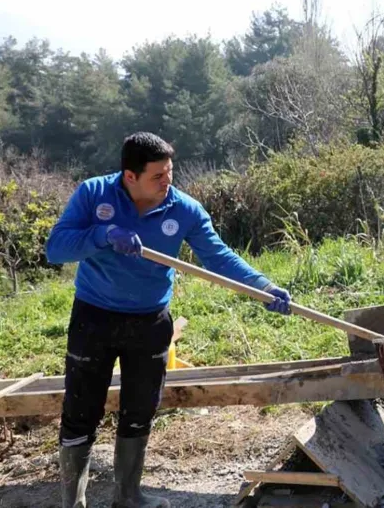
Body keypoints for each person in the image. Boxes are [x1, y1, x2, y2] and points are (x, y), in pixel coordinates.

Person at [45, 132, 292, 508]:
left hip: (150, 322)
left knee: (140, 410)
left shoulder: (184, 210)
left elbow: (219, 257)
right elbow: (56, 249)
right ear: (130, 176)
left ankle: (127, 496)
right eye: (157, 176)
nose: (167, 182)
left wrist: (263, 286)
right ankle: (72, 503)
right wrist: (104, 234)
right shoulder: (94, 194)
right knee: (80, 412)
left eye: (170, 173)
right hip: (94, 318)